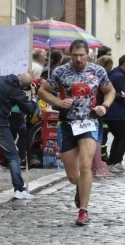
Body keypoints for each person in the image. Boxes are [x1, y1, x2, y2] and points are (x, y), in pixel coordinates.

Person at [38, 39, 115, 226]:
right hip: (66, 124)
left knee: (86, 165)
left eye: (82, 55)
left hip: (89, 122)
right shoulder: (60, 71)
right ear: (70, 55)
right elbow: (42, 91)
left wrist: (104, 106)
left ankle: (83, 211)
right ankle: (80, 187)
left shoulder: (97, 71)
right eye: (75, 55)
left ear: (88, 54)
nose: (78, 59)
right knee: (73, 176)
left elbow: (110, 91)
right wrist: (58, 102)